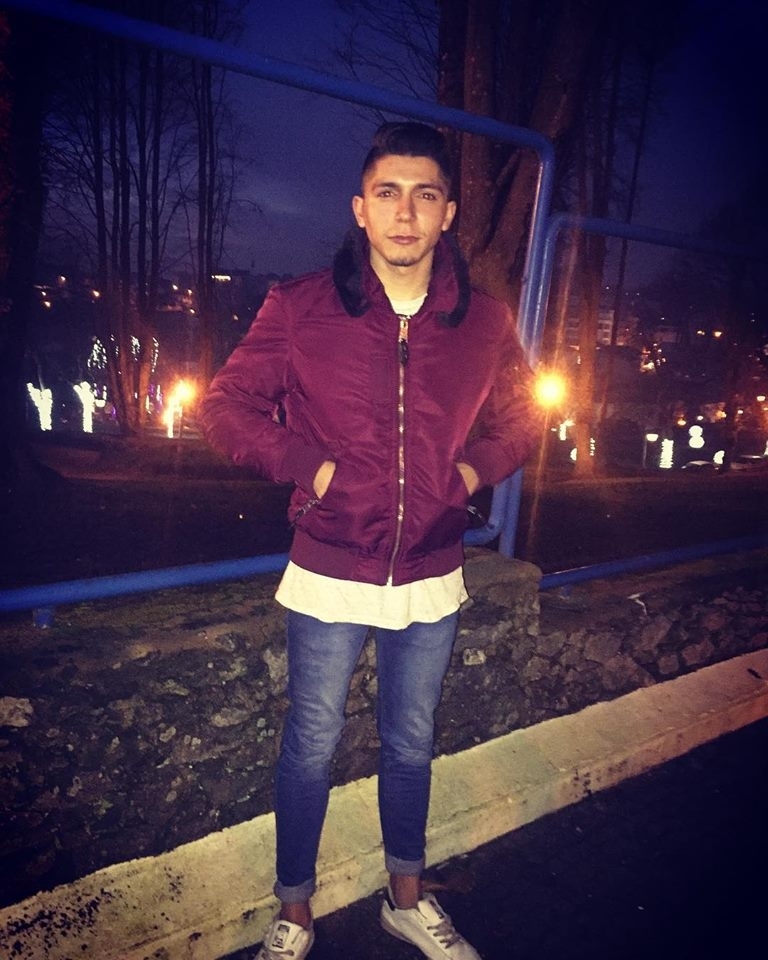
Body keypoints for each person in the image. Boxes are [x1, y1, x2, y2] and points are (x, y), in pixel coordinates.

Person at [199, 121, 542, 960]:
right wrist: (312, 470)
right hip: (329, 566)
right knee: (310, 744)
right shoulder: (301, 307)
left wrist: (470, 475)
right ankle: (294, 910)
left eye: (425, 195)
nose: (405, 213)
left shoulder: (484, 321)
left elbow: (526, 414)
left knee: (412, 743)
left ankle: (406, 898)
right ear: (360, 207)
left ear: (449, 213)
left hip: (430, 569)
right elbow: (225, 406)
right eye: (388, 193)